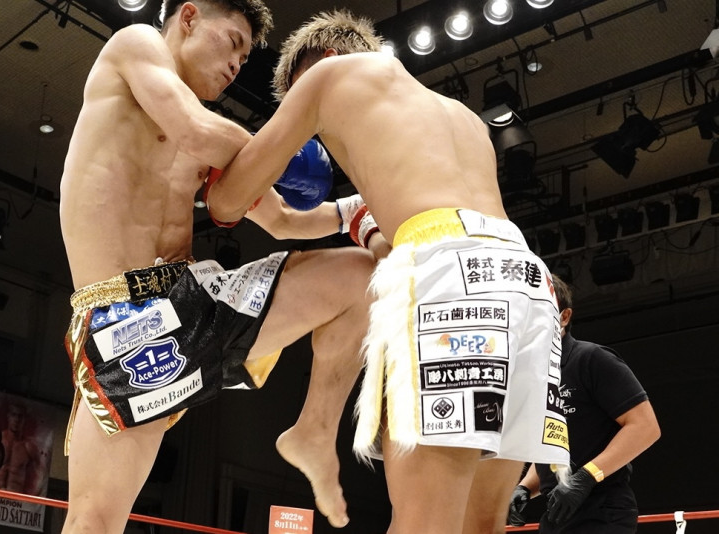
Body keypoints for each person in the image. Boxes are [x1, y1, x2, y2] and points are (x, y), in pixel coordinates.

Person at [207, 10, 571, 534]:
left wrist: (214, 157)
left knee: (421, 523)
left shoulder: (329, 77)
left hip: (447, 275)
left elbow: (227, 202)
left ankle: (315, 428)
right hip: (525, 283)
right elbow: (293, 221)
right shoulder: (459, 119)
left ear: (324, 59)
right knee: (483, 524)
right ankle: (313, 428)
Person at [58, 1, 374, 532]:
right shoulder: (136, 47)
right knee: (95, 520)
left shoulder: (213, 137)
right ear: (188, 18)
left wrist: (353, 211)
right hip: (124, 321)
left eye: (245, 58)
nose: (235, 66)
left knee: (361, 276)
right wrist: (282, 149)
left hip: (194, 297)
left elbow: (282, 220)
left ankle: (314, 431)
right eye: (232, 43)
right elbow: (192, 128)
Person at [507, 274, 661, 533]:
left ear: (564, 317)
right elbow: (553, 444)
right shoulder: (534, 375)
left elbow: (646, 427)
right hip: (557, 512)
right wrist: (525, 487)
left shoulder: (591, 358)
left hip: (603, 511)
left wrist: (587, 476)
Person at [0, 401, 45, 495]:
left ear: (25, 419)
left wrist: (31, 498)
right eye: (14, 415)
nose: (17, 419)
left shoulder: (28, 447)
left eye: (20, 416)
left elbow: (41, 475)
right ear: (8, 416)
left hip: (16, 500)